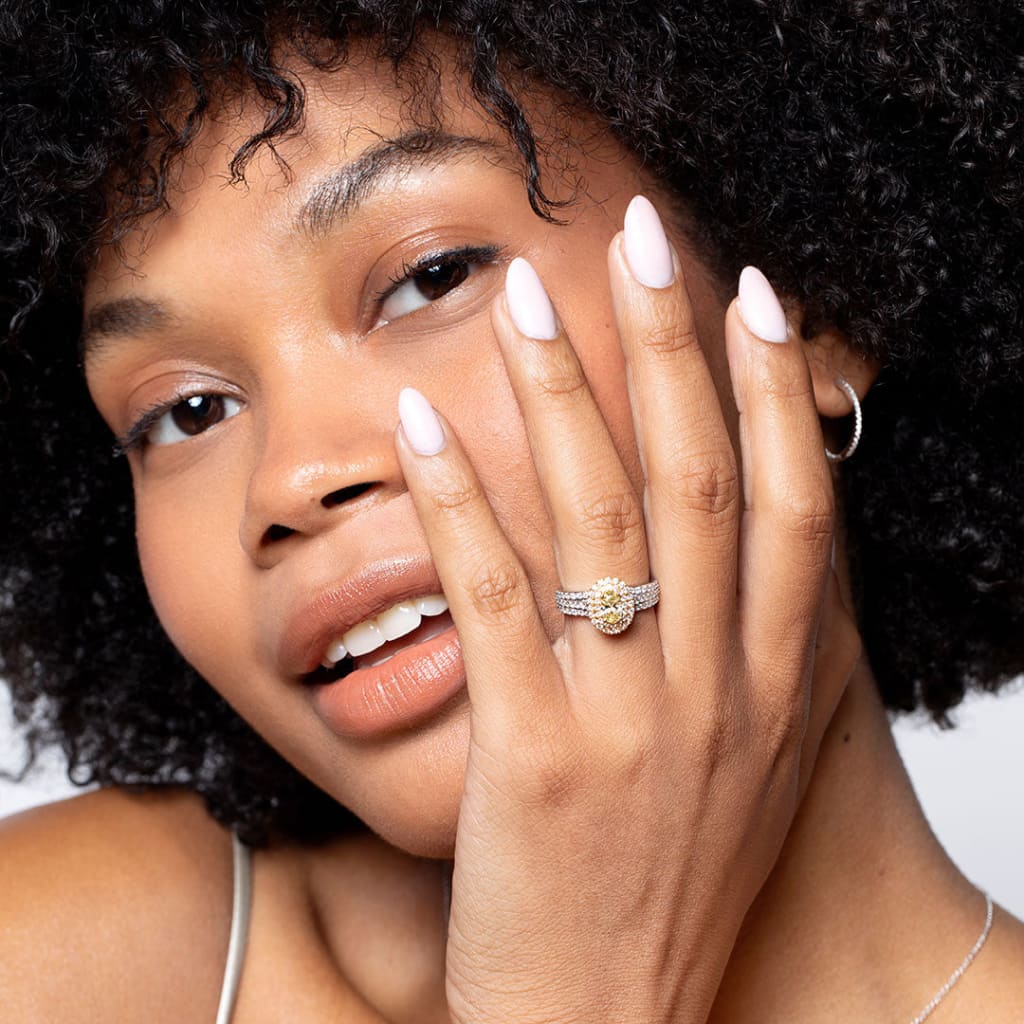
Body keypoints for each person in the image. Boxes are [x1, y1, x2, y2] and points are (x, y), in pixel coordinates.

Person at [1, 2, 1022, 1021]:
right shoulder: (71, 960)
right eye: (186, 413)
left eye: (429, 277)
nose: (291, 478)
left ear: (810, 300)